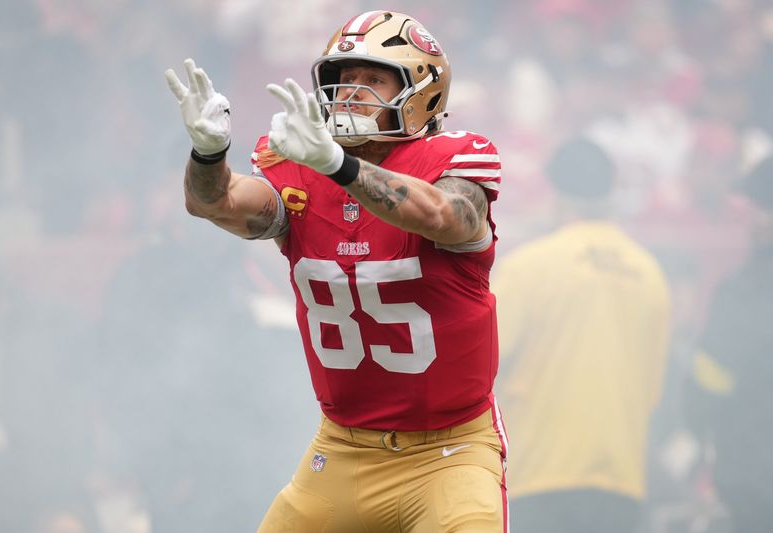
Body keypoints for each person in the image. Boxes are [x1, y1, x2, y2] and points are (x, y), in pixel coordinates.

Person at [165, 10, 508, 533]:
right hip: (342, 448)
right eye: (344, 79)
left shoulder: (456, 158)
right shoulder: (300, 165)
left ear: (422, 91)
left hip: (450, 452)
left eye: (372, 79)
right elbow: (218, 203)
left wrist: (338, 166)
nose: (352, 92)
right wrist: (208, 154)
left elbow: (444, 216)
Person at [491, 137, 671, 533]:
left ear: (554, 192)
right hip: (623, 483)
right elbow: (652, 391)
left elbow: (482, 365)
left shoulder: (529, 266)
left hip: (538, 477)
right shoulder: (650, 274)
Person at [685, 154, 773, 533]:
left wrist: (697, 424)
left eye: (759, 207)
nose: (751, 219)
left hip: (753, 476)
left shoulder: (744, 290)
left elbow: (711, 377)